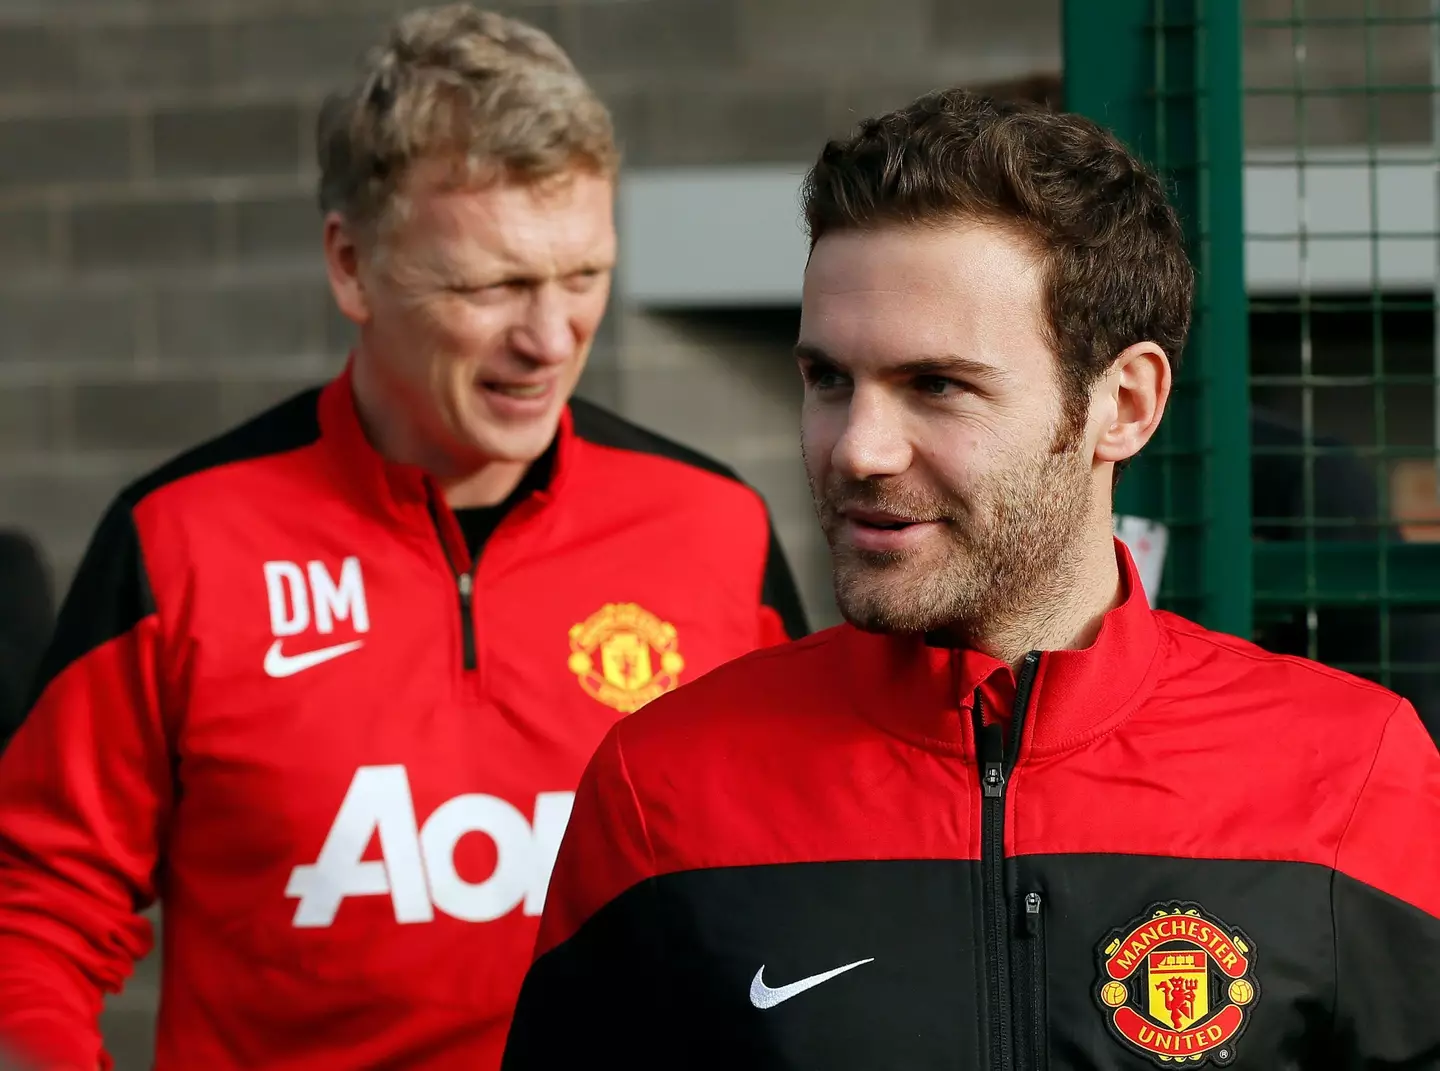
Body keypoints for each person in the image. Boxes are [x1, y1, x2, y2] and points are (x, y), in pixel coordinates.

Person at [501, 90, 1440, 1069]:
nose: (857, 448)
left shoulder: (1352, 774)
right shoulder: (662, 789)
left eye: (936, 386)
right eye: (828, 380)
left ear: (1124, 404)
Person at [0, 6, 807, 1070]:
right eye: (492, 285)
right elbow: (35, 920)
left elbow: (807, 879)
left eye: (583, 277)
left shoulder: (715, 526)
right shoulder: (179, 539)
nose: (552, 338)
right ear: (351, 265)